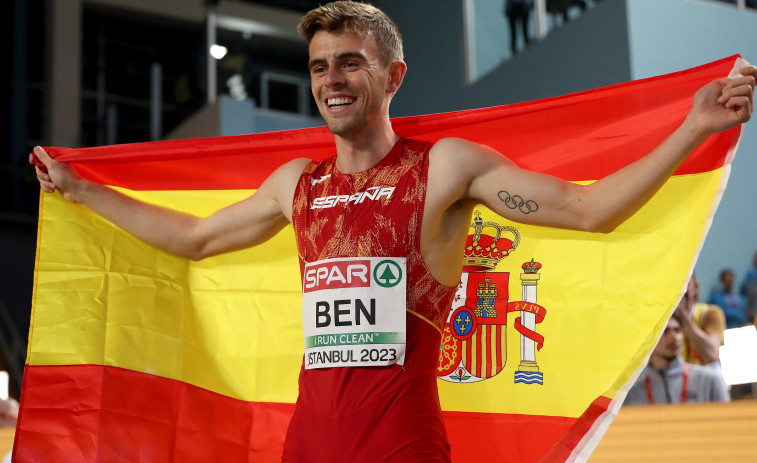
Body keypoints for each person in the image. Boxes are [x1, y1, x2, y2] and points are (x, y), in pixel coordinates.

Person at [30, 2, 757, 461]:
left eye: (350, 61)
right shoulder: (296, 185)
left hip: (401, 441)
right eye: (319, 66)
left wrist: (692, 126)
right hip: (307, 443)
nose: (330, 78)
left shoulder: (445, 169)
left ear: (392, 74)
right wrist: (86, 192)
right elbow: (192, 239)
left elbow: (588, 209)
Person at [624, 314, 730, 405]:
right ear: (648, 340)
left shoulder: (710, 380)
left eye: (678, 330)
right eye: (665, 331)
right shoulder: (631, 394)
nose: (674, 337)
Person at [676, 274, 726, 366]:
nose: (681, 289)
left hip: (706, 378)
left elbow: (712, 354)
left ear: (696, 288)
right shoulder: (666, 321)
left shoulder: (711, 313)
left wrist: (684, 317)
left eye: (686, 283)